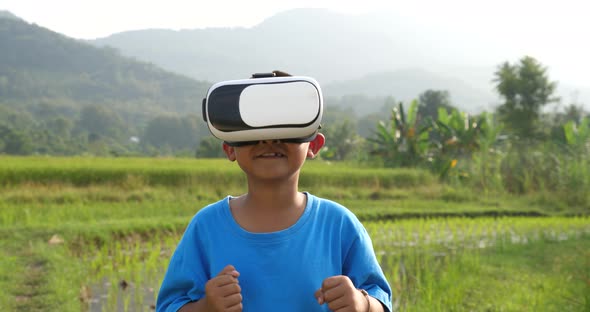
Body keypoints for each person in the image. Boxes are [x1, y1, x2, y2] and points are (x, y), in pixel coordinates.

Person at [156, 71, 392, 312]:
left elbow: (381, 302)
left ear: (314, 144)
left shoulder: (339, 224)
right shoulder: (206, 227)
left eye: (284, 127)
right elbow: (169, 306)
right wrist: (205, 308)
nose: (268, 139)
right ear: (229, 149)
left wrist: (362, 303)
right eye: (254, 129)